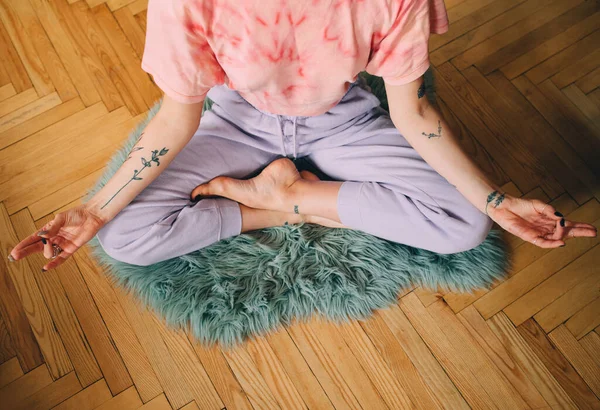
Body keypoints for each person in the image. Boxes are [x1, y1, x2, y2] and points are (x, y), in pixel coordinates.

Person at [8, 0, 597, 270]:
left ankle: (286, 198)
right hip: (235, 121)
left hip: (343, 121)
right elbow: (174, 118)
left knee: (466, 224)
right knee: (123, 237)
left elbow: (414, 115)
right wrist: (93, 208)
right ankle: (285, 205)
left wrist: (496, 202)